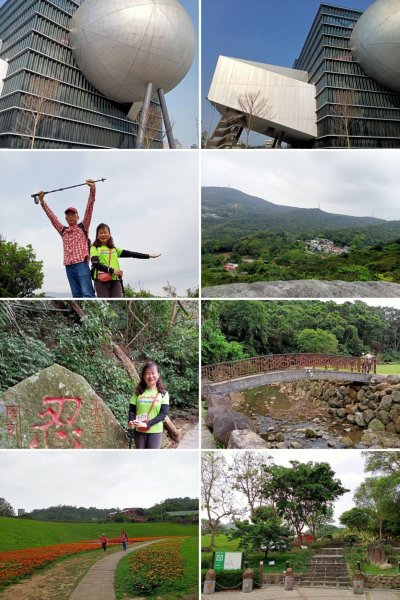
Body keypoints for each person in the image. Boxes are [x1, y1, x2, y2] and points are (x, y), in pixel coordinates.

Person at [37, 180, 96, 298]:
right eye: (68, 215)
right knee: (76, 295)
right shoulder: (63, 231)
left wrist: (92, 190)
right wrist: (42, 201)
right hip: (68, 267)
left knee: (88, 294)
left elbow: (89, 208)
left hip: (81, 264)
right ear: (65, 218)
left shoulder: (83, 226)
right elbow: (52, 217)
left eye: (73, 214)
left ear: (77, 216)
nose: (70, 216)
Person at [90, 223, 161, 298]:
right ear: (97, 236)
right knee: (105, 302)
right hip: (101, 280)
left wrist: (148, 255)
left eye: (105, 232)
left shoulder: (114, 249)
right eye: (101, 233)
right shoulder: (94, 248)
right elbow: (96, 264)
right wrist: (112, 270)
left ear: (109, 234)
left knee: (118, 301)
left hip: (115, 279)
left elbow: (131, 254)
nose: (103, 235)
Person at [128, 361, 169, 449]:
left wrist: (147, 424)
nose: (150, 376)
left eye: (153, 373)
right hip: (139, 430)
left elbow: (163, 414)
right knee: (140, 457)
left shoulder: (163, 394)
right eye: (147, 373)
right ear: (143, 376)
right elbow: (132, 411)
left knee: (151, 459)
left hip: (155, 431)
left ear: (158, 375)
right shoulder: (138, 393)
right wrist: (131, 421)